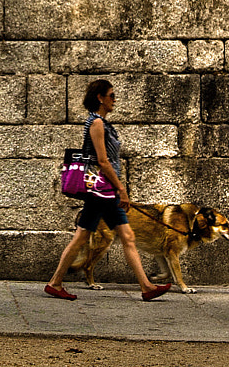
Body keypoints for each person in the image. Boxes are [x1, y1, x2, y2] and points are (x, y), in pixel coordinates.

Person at [44, 79, 171, 302]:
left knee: (125, 236)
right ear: (100, 98)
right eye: (111, 96)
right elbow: (102, 161)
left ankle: (146, 286)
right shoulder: (97, 124)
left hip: (105, 190)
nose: (115, 100)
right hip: (102, 190)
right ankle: (55, 282)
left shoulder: (101, 123)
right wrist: (121, 189)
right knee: (83, 236)